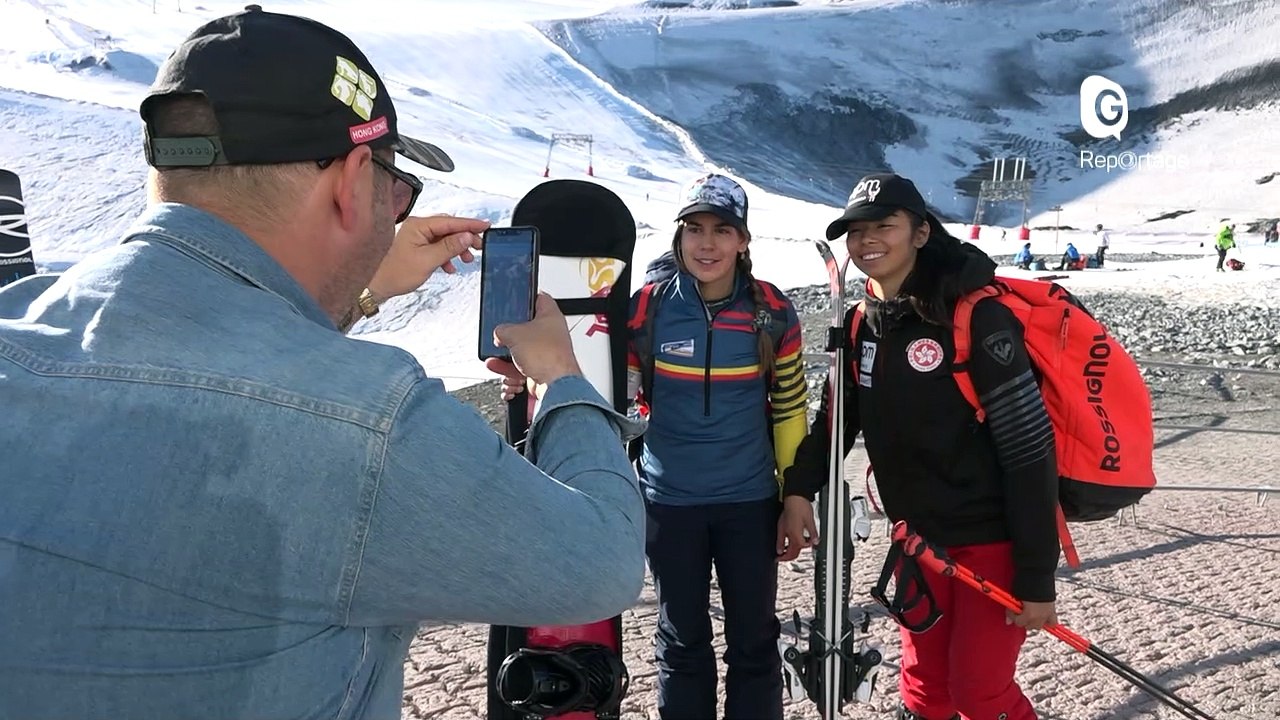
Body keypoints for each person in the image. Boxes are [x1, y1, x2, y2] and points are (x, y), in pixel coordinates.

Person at [0, 8, 646, 719]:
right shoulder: (371, 423)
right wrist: (561, 376)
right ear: (352, 179)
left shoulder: (18, 323)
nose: (392, 215)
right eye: (396, 192)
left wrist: (359, 291)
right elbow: (601, 563)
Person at [779, 172, 1059, 720]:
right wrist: (798, 492)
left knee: (980, 692)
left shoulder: (976, 316)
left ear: (922, 233)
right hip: (917, 544)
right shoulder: (862, 324)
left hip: (990, 546)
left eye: (884, 225)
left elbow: (1030, 449)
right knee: (925, 690)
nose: (867, 241)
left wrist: (1035, 576)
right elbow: (836, 423)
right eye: (856, 232)